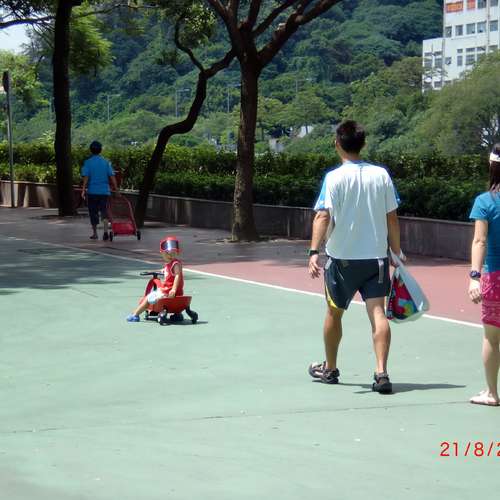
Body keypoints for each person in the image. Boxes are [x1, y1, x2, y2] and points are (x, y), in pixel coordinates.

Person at [307, 120, 402, 394]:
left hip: (342, 261)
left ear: (337, 143)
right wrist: (396, 252)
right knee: (378, 313)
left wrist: (313, 252)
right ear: (364, 144)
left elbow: (322, 216)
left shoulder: (333, 178)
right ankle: (381, 373)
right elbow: (392, 218)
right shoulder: (381, 175)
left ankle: (330, 369)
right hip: (376, 259)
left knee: (334, 313)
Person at [467, 144, 500, 407]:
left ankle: (492, 393)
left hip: (495, 278)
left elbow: (480, 241)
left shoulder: (485, 201)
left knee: (492, 337)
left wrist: (474, 276)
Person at [126, 236, 184, 322]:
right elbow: (169, 272)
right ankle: (177, 314)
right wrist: (163, 271)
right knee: (156, 293)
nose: (170, 255)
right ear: (162, 253)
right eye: (167, 253)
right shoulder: (169, 265)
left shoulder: (175, 264)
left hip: (168, 291)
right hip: (171, 291)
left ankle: (135, 315)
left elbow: (177, 275)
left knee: (148, 298)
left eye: (173, 253)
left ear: (177, 253)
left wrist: (173, 289)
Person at [81, 141, 117, 241]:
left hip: (92, 192)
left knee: (93, 212)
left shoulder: (88, 162)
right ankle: (105, 232)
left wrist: (83, 190)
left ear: (91, 150)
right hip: (104, 192)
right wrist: (116, 189)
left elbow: (86, 177)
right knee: (104, 211)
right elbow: (112, 176)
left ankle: (95, 233)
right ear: (100, 150)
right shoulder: (106, 162)